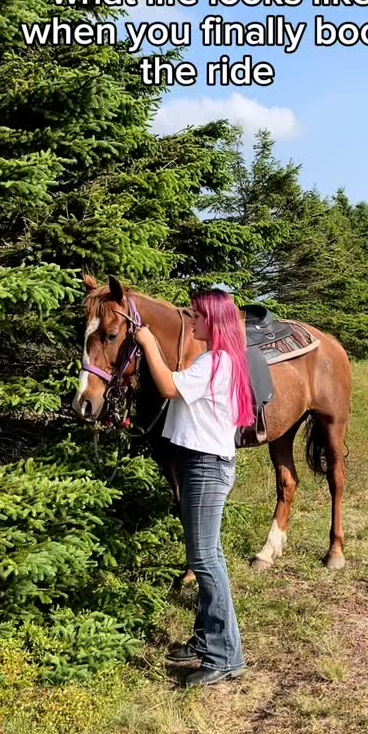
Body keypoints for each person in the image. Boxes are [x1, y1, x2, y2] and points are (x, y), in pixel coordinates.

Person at [135, 288, 255, 688]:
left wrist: (148, 340)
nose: (194, 321)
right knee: (210, 556)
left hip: (205, 467)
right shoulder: (218, 361)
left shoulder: (215, 362)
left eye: (199, 316)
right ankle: (208, 640)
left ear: (215, 322)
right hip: (202, 464)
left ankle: (225, 656)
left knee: (204, 560)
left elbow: (169, 387)